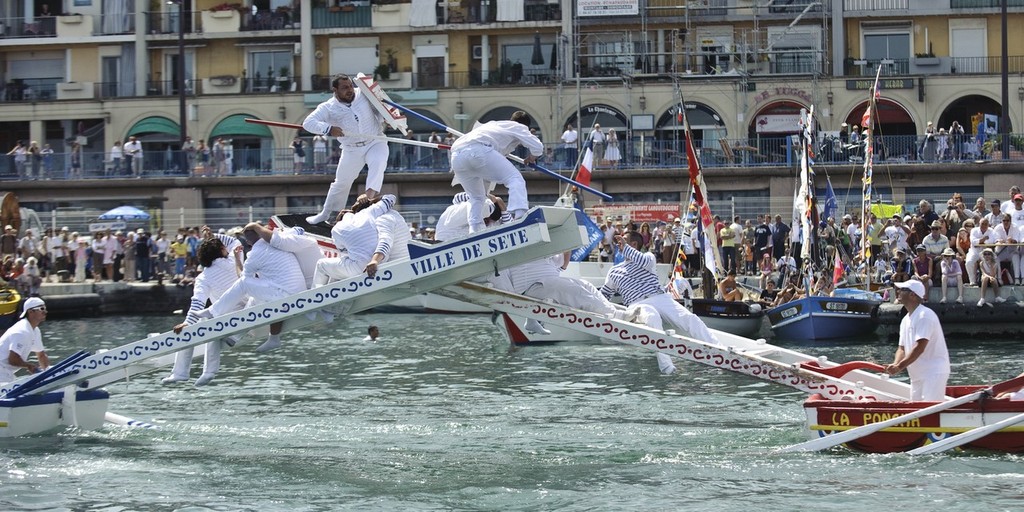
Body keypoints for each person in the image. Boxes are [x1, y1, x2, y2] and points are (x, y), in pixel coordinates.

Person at [601, 232, 719, 374]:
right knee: (652, 317)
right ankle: (667, 367)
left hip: (660, 297)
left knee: (690, 318)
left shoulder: (648, 258)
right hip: (637, 304)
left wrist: (626, 247)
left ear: (634, 245)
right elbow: (604, 295)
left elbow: (642, 261)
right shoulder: (614, 271)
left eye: (625, 241)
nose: (620, 243)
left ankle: (718, 350)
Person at [199, 222, 307, 353]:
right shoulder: (278, 240)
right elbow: (298, 230)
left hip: (285, 294)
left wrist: (238, 260)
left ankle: (213, 311)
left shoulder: (255, 254)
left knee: (245, 283)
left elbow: (242, 278)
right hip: (298, 290)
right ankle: (246, 337)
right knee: (253, 299)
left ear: (249, 243)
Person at [302, 73, 389, 225]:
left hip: (375, 140)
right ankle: (327, 214)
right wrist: (328, 129)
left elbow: (382, 108)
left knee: (378, 162)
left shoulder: (364, 93)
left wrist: (387, 116)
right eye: (345, 88)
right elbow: (308, 123)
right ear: (335, 90)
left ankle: (368, 200)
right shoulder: (327, 107)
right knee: (341, 182)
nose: (350, 90)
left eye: (350, 86)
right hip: (351, 149)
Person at [163, 233, 246, 386]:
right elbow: (234, 241)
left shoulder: (203, 277)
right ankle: (208, 371)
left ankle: (180, 373)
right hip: (245, 312)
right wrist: (213, 235)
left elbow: (198, 303)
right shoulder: (234, 260)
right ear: (222, 250)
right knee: (210, 323)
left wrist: (188, 322)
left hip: (222, 317)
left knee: (193, 327)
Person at [448, 110, 542, 233]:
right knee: (515, 179)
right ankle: (520, 215)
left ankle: (474, 229)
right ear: (526, 126)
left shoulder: (493, 125)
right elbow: (538, 147)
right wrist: (533, 157)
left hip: (456, 157)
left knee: (476, 197)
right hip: (479, 151)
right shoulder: (518, 126)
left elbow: (496, 157)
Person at [313, 194, 408, 286]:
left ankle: (315, 297)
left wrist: (374, 261)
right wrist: (369, 199)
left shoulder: (381, 218)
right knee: (341, 266)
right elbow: (390, 197)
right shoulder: (374, 212)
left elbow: (386, 240)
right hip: (386, 262)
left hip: (379, 266)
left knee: (322, 265)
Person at [886, 280, 950, 402]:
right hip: (916, 375)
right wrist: (895, 364)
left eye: (902, 289)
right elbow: (902, 348)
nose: (898, 292)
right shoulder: (905, 319)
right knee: (917, 413)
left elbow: (919, 347)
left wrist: (899, 366)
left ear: (913, 295)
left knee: (929, 412)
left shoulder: (924, 315)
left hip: (933, 373)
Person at [0, 297, 51, 384]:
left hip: (6, 372)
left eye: (45, 309)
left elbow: (41, 355)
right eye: (41, 309)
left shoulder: (35, 330)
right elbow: (13, 360)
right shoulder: (21, 332)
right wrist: (29, 366)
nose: (45, 312)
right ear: (30, 311)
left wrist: (48, 373)